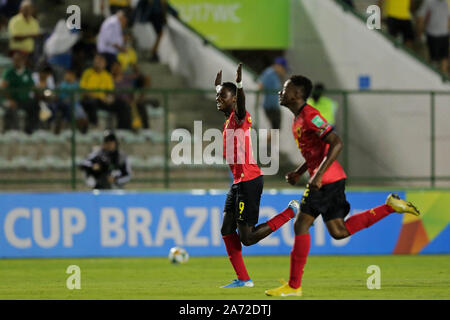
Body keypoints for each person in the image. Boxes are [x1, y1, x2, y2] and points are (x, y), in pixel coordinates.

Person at [264, 75, 421, 297]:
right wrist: (299, 172)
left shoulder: (310, 116)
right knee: (339, 231)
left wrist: (317, 175)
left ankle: (294, 285)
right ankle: (390, 207)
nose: (280, 92)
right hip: (331, 179)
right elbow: (315, 151)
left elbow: (336, 143)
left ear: (297, 95)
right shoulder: (298, 118)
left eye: (285, 88)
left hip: (325, 181)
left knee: (300, 226)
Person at [215, 63, 300, 288]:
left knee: (248, 238)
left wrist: (240, 85)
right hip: (238, 182)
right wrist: (219, 88)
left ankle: (290, 212)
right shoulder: (228, 120)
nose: (219, 99)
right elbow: (230, 102)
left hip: (249, 180)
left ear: (234, 100)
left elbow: (240, 105)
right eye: (218, 96)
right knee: (226, 229)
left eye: (223, 96)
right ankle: (244, 279)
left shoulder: (239, 116)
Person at [80, 53, 132, 130]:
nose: (98, 62)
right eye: (97, 60)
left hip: (103, 101)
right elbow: (84, 91)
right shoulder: (87, 73)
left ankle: (123, 129)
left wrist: (109, 98)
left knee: (122, 104)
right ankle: (93, 126)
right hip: (90, 100)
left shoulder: (107, 75)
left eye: (101, 60)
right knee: (92, 102)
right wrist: (99, 97)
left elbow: (110, 92)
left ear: (105, 64)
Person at [0, 50, 39, 134]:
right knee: (11, 108)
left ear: (23, 61)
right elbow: (3, 88)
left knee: (36, 105)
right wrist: (10, 100)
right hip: (10, 100)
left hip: (24, 100)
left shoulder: (27, 72)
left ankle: (31, 130)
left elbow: (33, 87)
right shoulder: (9, 72)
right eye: (14, 60)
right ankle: (13, 131)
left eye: (18, 60)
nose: (15, 62)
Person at [416, 0, 450, 74]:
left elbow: (448, 18)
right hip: (433, 35)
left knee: (445, 59)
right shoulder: (428, 2)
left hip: (445, 35)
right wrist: (420, 34)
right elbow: (420, 18)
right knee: (433, 62)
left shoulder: (445, 3)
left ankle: (443, 81)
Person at [257, 57, 288, 134]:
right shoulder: (269, 73)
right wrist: (258, 101)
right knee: (274, 129)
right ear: (279, 66)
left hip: (274, 106)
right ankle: (267, 144)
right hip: (269, 107)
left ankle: (271, 144)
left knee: (276, 129)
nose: (284, 71)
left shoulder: (276, 75)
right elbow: (260, 85)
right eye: (283, 69)